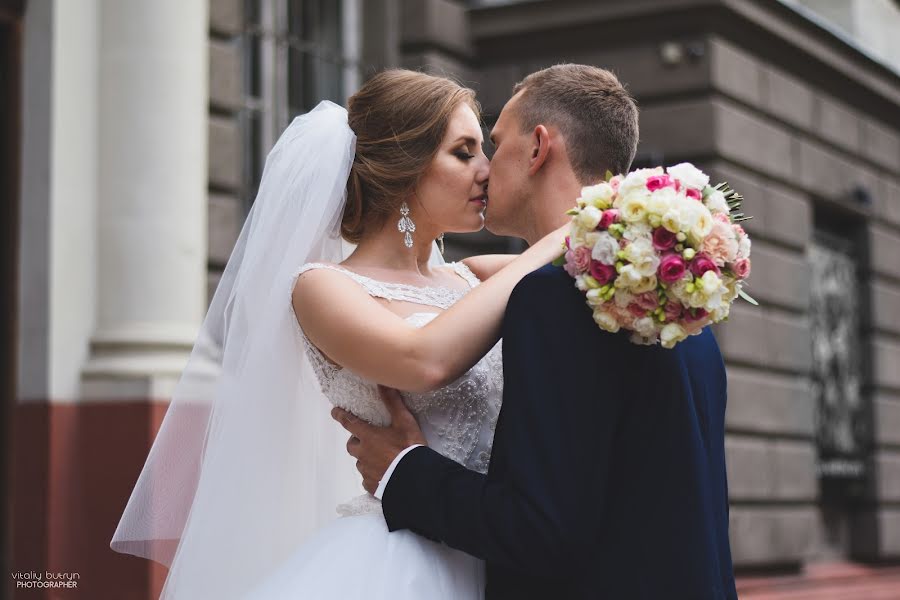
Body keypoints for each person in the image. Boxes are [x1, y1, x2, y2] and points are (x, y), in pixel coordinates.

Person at [111, 68, 565, 599]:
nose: (486, 171)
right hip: (404, 559)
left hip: (501, 546)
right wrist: (559, 236)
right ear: (404, 168)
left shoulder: (479, 276)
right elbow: (423, 361)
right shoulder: (321, 288)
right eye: (463, 153)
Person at [335, 64, 739, 599]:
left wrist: (403, 472)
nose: (484, 167)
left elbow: (541, 530)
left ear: (537, 148)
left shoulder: (552, 299)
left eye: (494, 143)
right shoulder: (685, 311)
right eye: (466, 150)